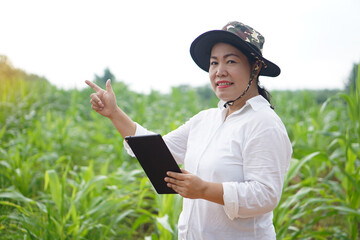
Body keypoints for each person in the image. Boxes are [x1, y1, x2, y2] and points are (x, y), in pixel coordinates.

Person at [86, 21, 292, 240]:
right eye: (214, 63)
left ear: (256, 67)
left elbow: (265, 195)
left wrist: (204, 189)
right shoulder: (205, 120)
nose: (219, 71)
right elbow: (155, 150)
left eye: (231, 61)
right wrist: (114, 113)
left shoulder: (264, 123)